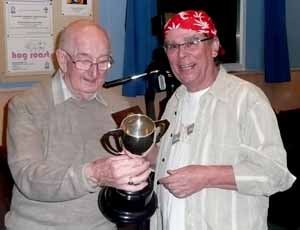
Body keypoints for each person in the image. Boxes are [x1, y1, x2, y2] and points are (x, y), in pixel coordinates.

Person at [148, 10, 296, 230]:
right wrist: (143, 154)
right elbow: (169, 160)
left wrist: (206, 176)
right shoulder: (175, 101)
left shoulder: (247, 99)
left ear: (214, 46)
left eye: (192, 42)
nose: (181, 55)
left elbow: (274, 174)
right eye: (172, 46)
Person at [5, 20, 151, 230]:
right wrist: (93, 174)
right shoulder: (26, 105)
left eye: (103, 61)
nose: (95, 73)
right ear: (62, 60)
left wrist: (149, 158)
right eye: (84, 61)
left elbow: (147, 155)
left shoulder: (119, 104)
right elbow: (29, 178)